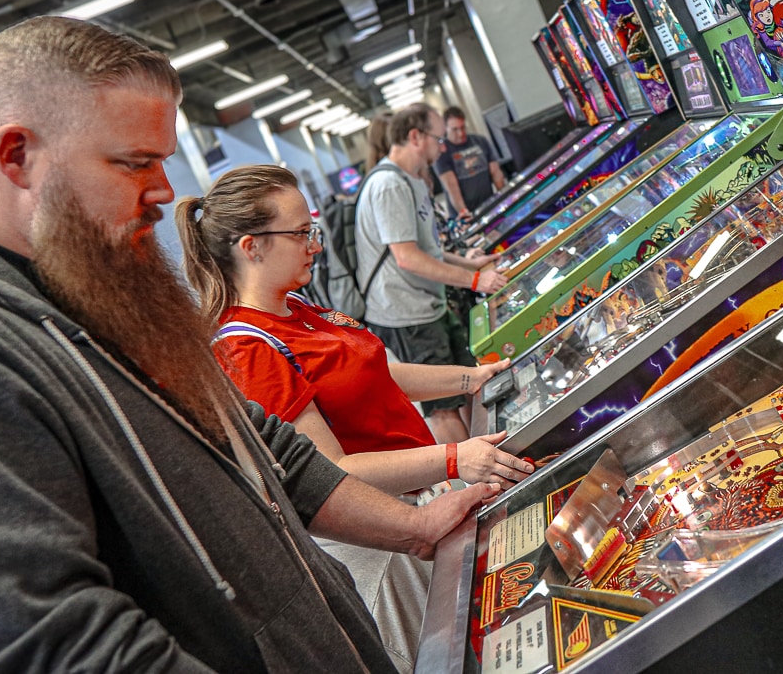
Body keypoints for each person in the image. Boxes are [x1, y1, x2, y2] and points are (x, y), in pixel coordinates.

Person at [0, 16, 497, 672]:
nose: (166, 192)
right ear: (17, 157)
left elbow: (265, 444)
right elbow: (57, 642)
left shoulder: (88, 288)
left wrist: (415, 527)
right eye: (134, 163)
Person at [176, 163, 533, 668]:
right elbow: (330, 470)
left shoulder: (296, 307)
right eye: (301, 234)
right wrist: (455, 458)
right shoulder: (247, 347)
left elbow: (380, 372)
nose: (316, 245)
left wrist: (471, 378)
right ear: (250, 246)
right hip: (388, 540)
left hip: (426, 500)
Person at [357, 104, 507, 445]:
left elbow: (427, 250)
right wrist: (473, 281)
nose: (443, 148)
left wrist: (469, 264)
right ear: (415, 137)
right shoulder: (388, 185)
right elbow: (407, 258)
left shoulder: (411, 180)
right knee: (443, 407)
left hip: (429, 305)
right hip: (406, 314)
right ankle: (478, 487)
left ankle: (488, 451)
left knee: (471, 380)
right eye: (439, 139)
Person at [433, 106, 505, 220]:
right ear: (445, 129)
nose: (461, 133)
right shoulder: (442, 152)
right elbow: (452, 189)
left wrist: (505, 199)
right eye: (455, 129)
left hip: (488, 207)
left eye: (462, 128)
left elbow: (496, 173)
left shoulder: (480, 141)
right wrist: (465, 215)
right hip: (464, 214)